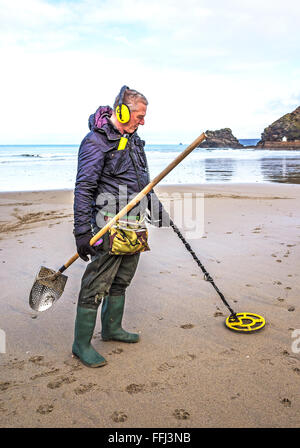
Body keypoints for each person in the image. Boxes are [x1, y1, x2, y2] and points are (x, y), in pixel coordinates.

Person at [72, 86, 169, 368]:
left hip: (134, 223)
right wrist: (81, 232)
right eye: (139, 115)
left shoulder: (135, 142)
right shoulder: (95, 142)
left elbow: (144, 181)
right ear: (122, 111)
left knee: (122, 280)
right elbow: (84, 188)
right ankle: (81, 344)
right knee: (96, 284)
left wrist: (155, 208)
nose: (143, 121)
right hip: (107, 225)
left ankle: (113, 329)